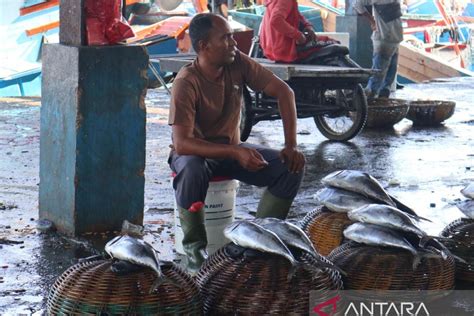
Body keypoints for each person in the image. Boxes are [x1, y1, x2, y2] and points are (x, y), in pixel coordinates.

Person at [168, 13, 306, 273]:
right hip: (196, 155)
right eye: (226, 38)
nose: (234, 44)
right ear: (203, 47)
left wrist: (291, 145)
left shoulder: (237, 63)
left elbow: (284, 92)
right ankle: (195, 256)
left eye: (232, 37)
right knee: (191, 169)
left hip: (232, 154)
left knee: (290, 167)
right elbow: (183, 144)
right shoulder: (186, 82)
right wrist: (235, 150)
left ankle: (261, 243)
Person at [259, 0, 339, 63]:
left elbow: (297, 15)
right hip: (285, 51)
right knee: (333, 43)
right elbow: (276, 20)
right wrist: (298, 36)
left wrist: (308, 26)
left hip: (273, 50)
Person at [354, 0, 404, 99]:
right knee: (378, 73)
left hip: (395, 37)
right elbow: (357, 4)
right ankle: (368, 100)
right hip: (383, 37)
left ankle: (383, 98)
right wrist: (372, 21)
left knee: (390, 74)